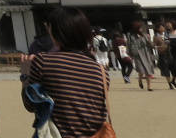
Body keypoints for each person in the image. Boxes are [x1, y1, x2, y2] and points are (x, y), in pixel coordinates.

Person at [20, 7, 110, 138]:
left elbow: (30, 105)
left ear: (56, 32)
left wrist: (25, 75)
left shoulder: (43, 61)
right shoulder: (101, 71)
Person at [126, 19, 155, 90]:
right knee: (141, 70)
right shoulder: (130, 36)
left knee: (148, 70)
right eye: (140, 27)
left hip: (146, 54)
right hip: (137, 55)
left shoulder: (145, 35)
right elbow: (128, 45)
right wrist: (129, 54)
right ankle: (140, 79)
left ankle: (149, 86)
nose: (142, 29)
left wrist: (148, 39)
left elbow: (151, 44)